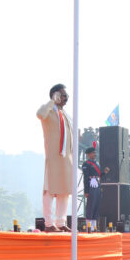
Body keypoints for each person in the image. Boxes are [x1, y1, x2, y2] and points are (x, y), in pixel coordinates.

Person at [36, 84, 73, 232]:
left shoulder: (67, 115)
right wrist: (52, 101)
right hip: (52, 158)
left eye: (66, 95)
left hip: (66, 158)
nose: (66, 98)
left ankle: (60, 222)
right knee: (49, 190)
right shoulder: (49, 111)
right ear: (55, 95)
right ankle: (49, 223)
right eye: (63, 95)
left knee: (65, 191)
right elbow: (39, 114)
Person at [82, 142, 108, 231]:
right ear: (89, 154)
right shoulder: (86, 164)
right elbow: (86, 178)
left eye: (95, 153)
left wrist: (104, 172)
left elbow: (99, 175)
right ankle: (89, 226)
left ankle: (94, 226)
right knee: (91, 205)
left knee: (97, 204)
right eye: (93, 153)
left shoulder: (97, 164)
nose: (95, 154)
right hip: (91, 185)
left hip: (97, 184)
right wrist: (86, 191)